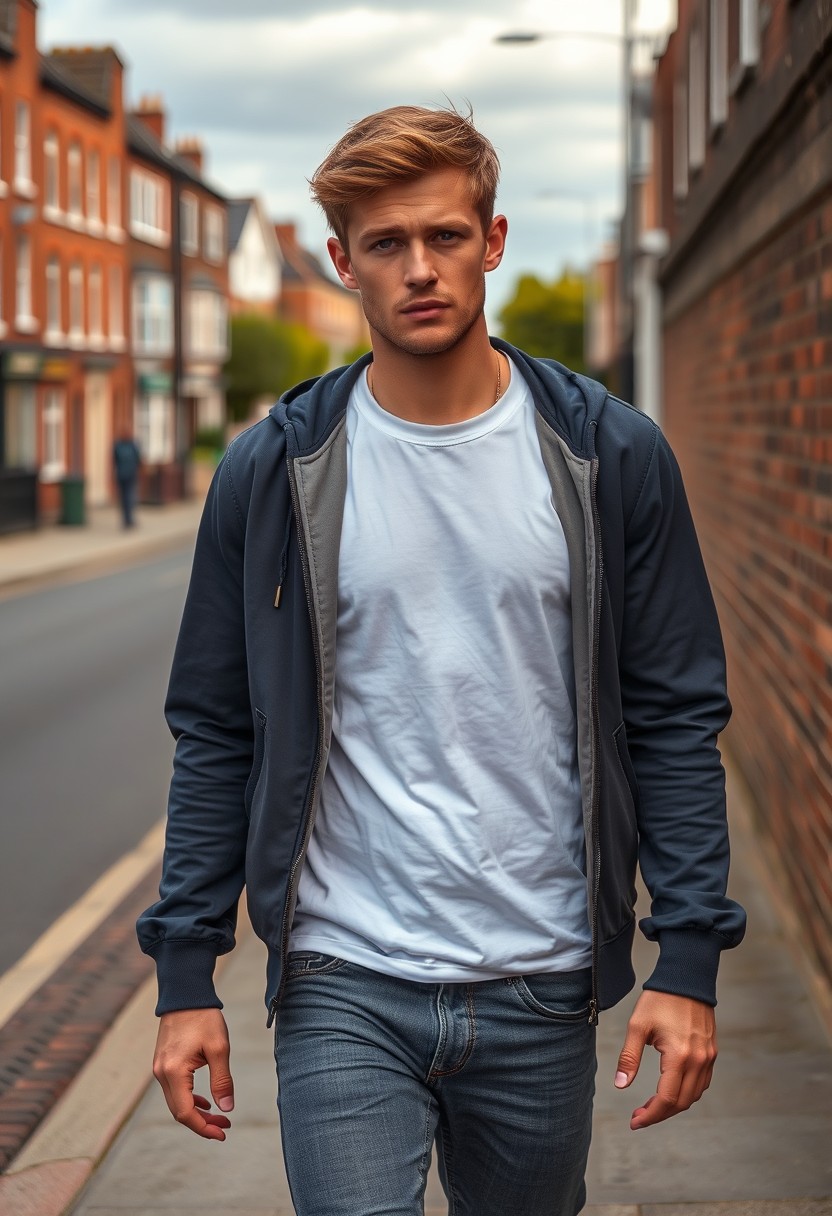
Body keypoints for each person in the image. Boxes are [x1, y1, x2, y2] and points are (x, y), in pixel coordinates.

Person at [139, 105, 746, 1216]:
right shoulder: (273, 470)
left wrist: (688, 957)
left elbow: (670, 718)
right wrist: (187, 978)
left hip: (543, 973)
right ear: (342, 264)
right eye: (385, 244)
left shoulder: (608, 455)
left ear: (494, 239)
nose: (420, 269)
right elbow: (217, 731)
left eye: (446, 237)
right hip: (341, 976)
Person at [112, 433, 141, 528]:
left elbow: (114, 460)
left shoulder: (120, 446)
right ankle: (128, 519)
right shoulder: (130, 446)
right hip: (128, 475)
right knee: (128, 497)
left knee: (126, 497)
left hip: (124, 475)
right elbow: (138, 459)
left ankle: (127, 518)